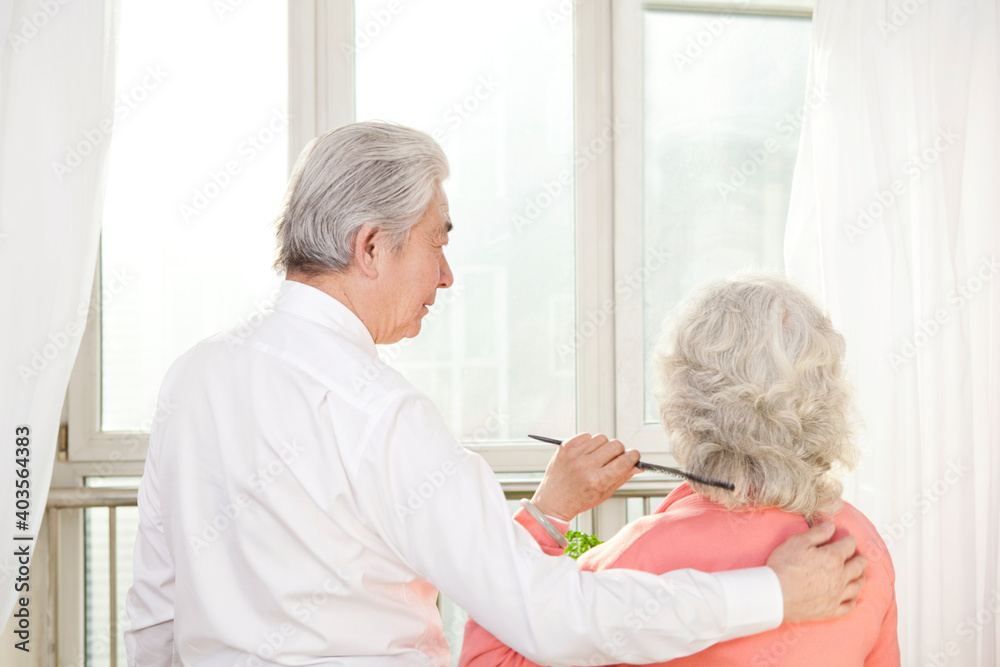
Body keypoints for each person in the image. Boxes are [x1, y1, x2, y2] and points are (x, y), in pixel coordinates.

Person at [125, 123, 867, 666]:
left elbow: (154, 619)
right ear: (372, 246)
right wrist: (770, 594)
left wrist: (545, 514)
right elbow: (554, 618)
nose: (446, 275)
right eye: (438, 240)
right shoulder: (382, 416)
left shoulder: (192, 378)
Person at [460, 274, 899, 666]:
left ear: (685, 401)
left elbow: (490, 660)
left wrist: (545, 513)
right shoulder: (860, 542)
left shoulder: (643, 556)